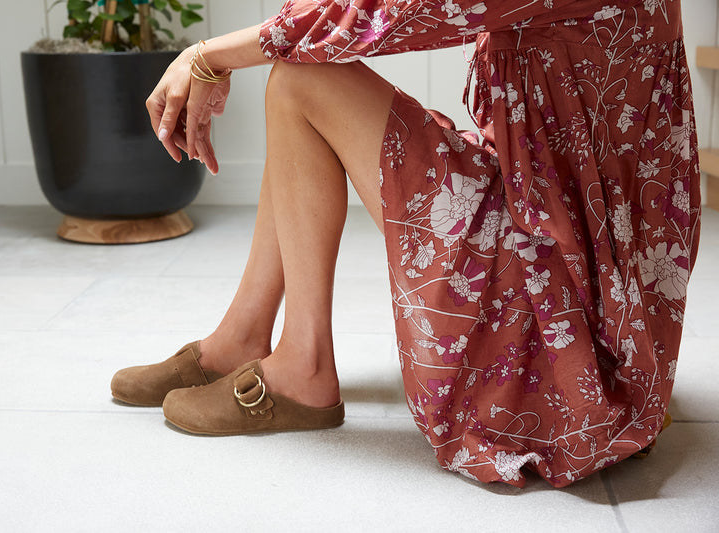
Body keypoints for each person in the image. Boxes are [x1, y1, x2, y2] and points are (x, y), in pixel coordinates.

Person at [111, 0, 701, 487]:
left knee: (301, 81)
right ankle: (238, 340)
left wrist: (205, 55)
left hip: (553, 302)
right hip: (560, 235)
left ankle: (302, 371)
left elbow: (377, 14)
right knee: (305, 85)